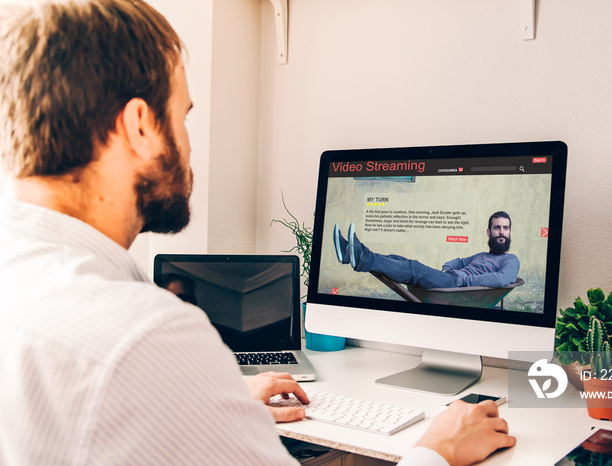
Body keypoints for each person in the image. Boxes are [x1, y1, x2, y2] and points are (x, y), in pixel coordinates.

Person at [0, 1, 515, 464]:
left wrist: (206, 407)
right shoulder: (146, 337)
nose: (189, 145)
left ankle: (362, 254)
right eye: (182, 118)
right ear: (139, 126)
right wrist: (437, 449)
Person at [334, 212, 520, 290]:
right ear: (489, 232)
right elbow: (459, 261)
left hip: (457, 287)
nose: (501, 232)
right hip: (451, 279)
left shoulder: (510, 260)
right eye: (497, 228)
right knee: (397, 259)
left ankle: (361, 256)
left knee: (413, 268)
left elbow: (503, 279)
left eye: (505, 228)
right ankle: (349, 252)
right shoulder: (481, 256)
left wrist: (462, 279)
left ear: (510, 231)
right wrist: (447, 268)